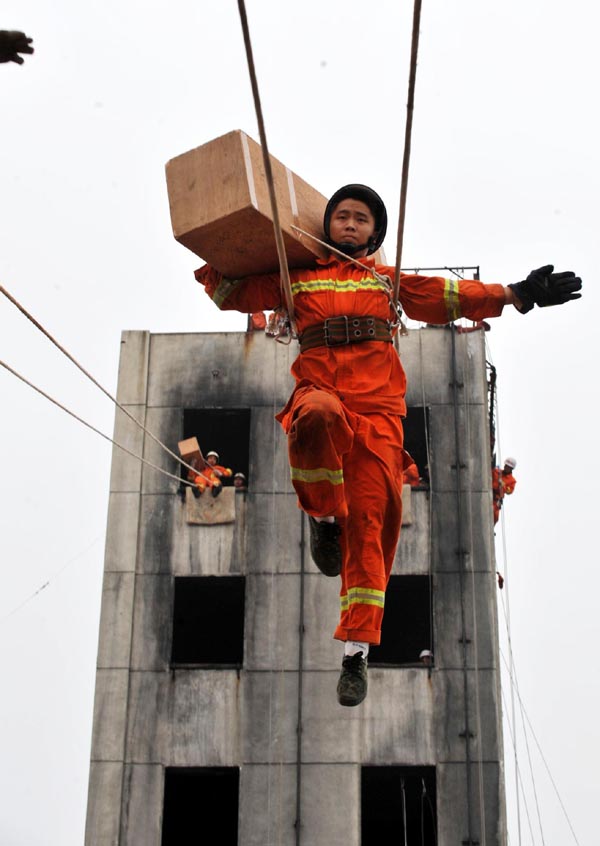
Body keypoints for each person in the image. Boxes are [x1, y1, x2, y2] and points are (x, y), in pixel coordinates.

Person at [195, 183, 582, 707]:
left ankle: (356, 651)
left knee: (373, 531)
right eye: (342, 217)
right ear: (327, 226)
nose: (350, 225)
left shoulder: (386, 282)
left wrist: (516, 293)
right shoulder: (296, 279)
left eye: (361, 219)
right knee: (314, 419)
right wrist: (219, 245)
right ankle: (325, 520)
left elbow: (449, 298)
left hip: (379, 415)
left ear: (374, 231)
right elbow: (228, 294)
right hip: (323, 392)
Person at [492, 456, 517, 524]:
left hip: (496, 500)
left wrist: (503, 485)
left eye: (508, 467)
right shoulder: (497, 471)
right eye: (506, 465)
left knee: (495, 516)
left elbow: (509, 491)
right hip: (489, 493)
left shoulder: (512, 481)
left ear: (511, 469)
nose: (506, 467)